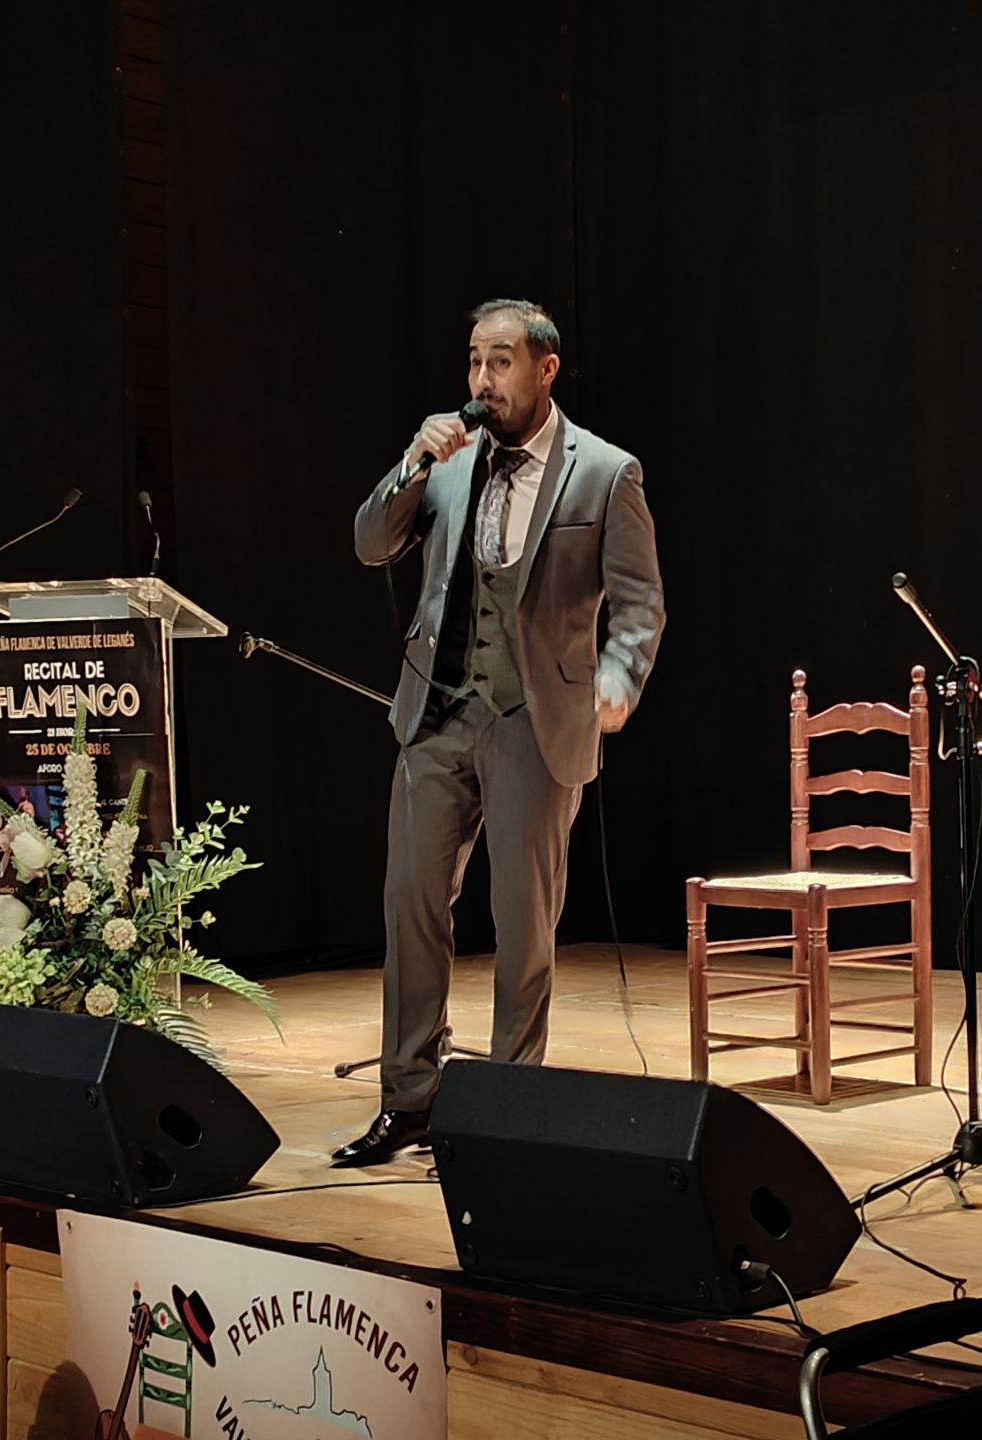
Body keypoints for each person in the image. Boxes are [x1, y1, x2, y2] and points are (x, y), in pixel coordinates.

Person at [334, 299, 665, 1167]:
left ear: (544, 369)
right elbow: (372, 544)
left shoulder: (604, 472)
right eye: (474, 362)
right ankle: (408, 1100)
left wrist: (617, 679)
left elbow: (639, 606)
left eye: (501, 363)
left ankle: (510, 1110)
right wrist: (411, 464)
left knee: (522, 927)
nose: (483, 381)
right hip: (437, 715)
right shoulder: (445, 461)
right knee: (411, 904)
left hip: (535, 722)